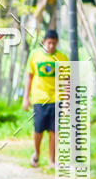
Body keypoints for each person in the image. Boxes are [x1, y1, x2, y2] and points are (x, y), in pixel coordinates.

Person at [22, 28, 68, 169]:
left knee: (54, 131)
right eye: (49, 43)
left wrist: (66, 101)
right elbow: (29, 77)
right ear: (43, 42)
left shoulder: (61, 58)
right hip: (39, 99)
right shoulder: (35, 55)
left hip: (56, 98)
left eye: (54, 43)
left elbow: (66, 80)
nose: (51, 46)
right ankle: (36, 154)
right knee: (38, 130)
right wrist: (26, 97)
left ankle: (51, 161)